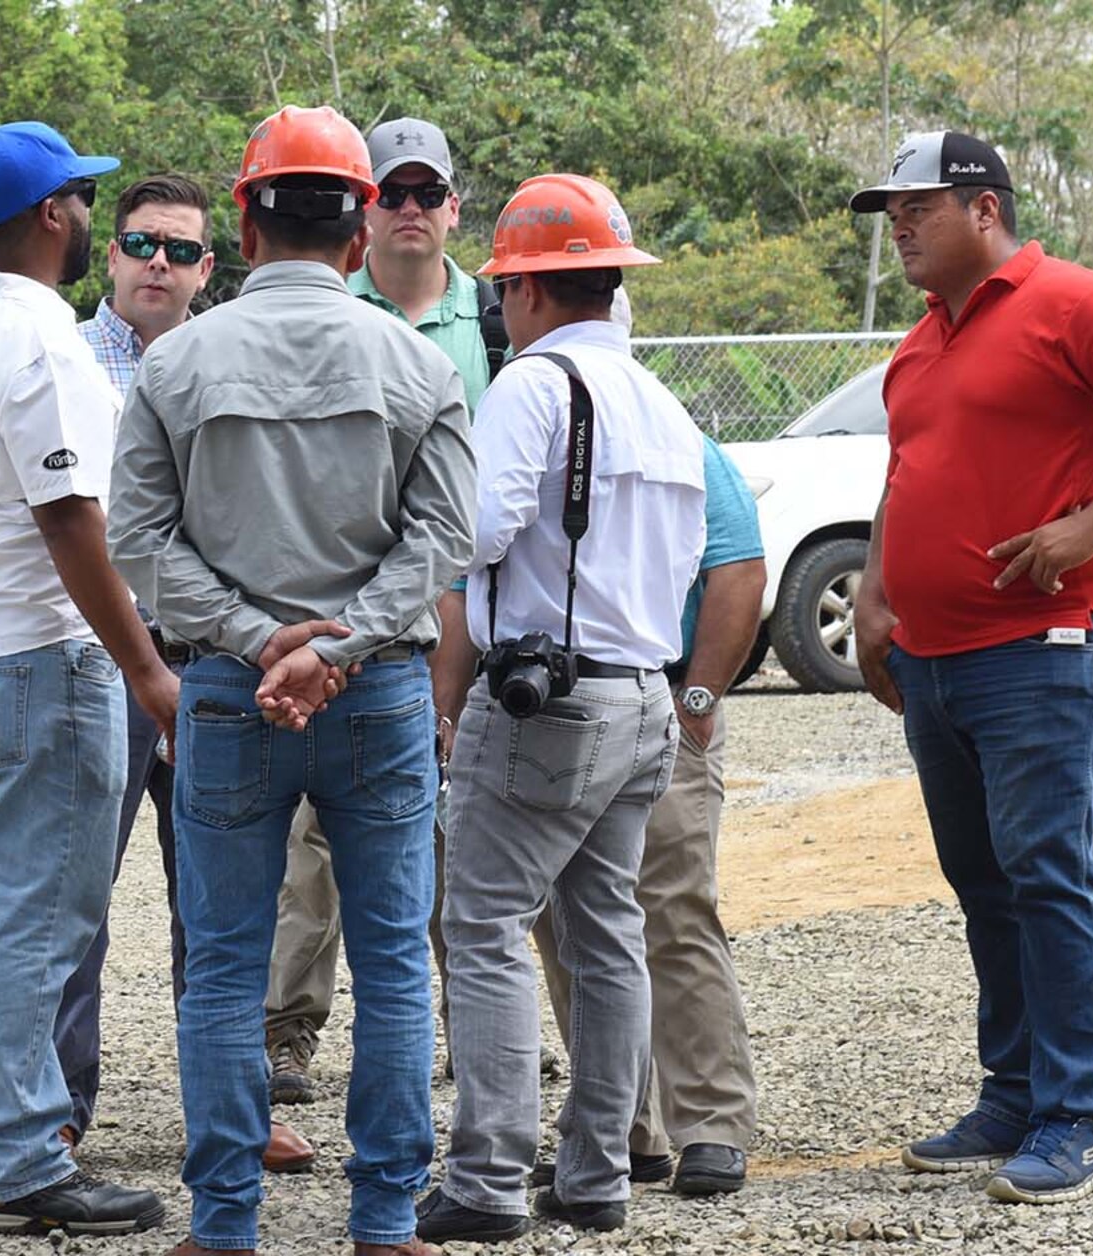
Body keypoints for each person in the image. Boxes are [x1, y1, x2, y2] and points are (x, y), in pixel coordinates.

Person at [106, 104, 475, 1256]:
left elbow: (136, 536)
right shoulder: (416, 364)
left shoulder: (176, 366)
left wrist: (258, 638)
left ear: (244, 225)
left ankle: (223, 1225)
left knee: (221, 965)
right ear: (362, 232)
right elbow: (445, 538)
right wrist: (339, 642)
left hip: (226, 692)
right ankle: (381, 1222)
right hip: (376, 698)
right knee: (392, 963)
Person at [847, 131, 1093, 1204]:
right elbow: (907, 470)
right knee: (984, 884)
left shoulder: (1076, 302)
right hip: (933, 659)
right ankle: (1012, 1094)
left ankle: (1075, 1117)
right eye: (890, 213)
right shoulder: (919, 342)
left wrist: (1086, 526)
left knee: (1046, 876)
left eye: (915, 207)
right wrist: (877, 591)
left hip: (1049, 648)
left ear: (982, 208)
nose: (899, 228)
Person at [0, 120, 179, 1237]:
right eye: (75, 201)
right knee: (36, 920)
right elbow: (72, 518)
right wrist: (145, 665)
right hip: (37, 651)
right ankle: (18, 1160)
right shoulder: (44, 339)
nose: (80, 218)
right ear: (50, 215)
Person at [416, 174, 705, 1244]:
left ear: (521, 291)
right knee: (605, 931)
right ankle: (592, 1174)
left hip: (550, 699)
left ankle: (486, 1178)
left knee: (482, 922)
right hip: (640, 697)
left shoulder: (530, 387)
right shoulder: (661, 401)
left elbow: (473, 534)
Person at [65, 172, 317, 1174]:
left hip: (212, 663)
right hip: (98, 661)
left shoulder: (232, 361)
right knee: (75, 895)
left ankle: (231, 1110)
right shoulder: (69, 361)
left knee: (222, 899)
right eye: (140, 244)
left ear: (211, 266)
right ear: (112, 253)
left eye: (179, 249)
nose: (156, 264)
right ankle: (55, 1111)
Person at [263, 115, 515, 1106]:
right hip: (325, 622)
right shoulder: (318, 310)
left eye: (426, 194)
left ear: (454, 208)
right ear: (361, 211)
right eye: (391, 194)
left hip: (458, 616)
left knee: (469, 837)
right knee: (310, 852)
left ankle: (478, 1029)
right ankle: (290, 1034)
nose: (409, 211)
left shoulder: (497, 321)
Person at [532, 286, 765, 1198]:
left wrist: (701, 691)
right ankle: (621, 1129)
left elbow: (737, 567)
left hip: (659, 697)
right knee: (568, 925)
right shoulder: (524, 424)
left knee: (670, 908)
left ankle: (710, 1123)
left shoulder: (677, 435)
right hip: (553, 710)